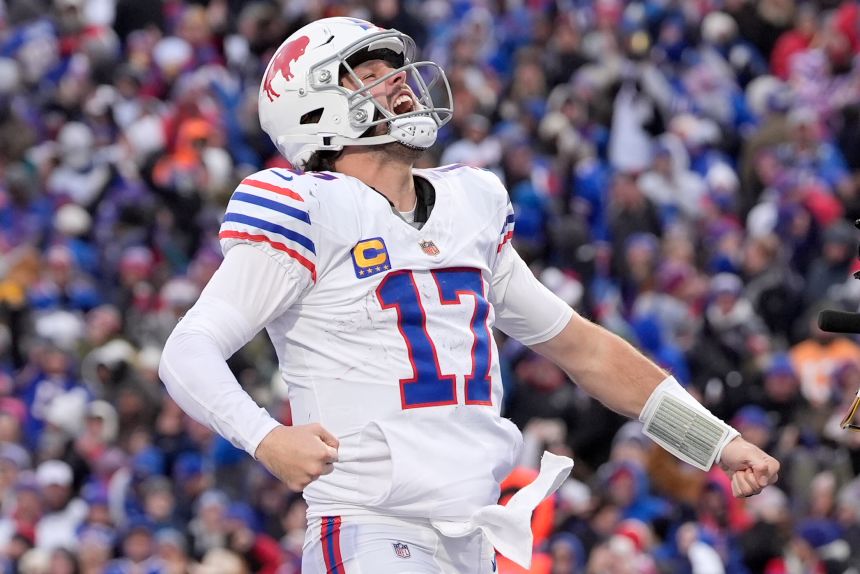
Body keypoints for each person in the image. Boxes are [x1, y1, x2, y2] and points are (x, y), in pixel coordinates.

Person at [158, 17, 780, 574]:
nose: (398, 82)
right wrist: (266, 439)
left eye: (396, 67)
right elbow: (188, 350)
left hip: (473, 537)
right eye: (369, 75)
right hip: (372, 529)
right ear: (314, 108)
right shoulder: (308, 208)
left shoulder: (469, 204)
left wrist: (715, 441)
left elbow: (582, 349)